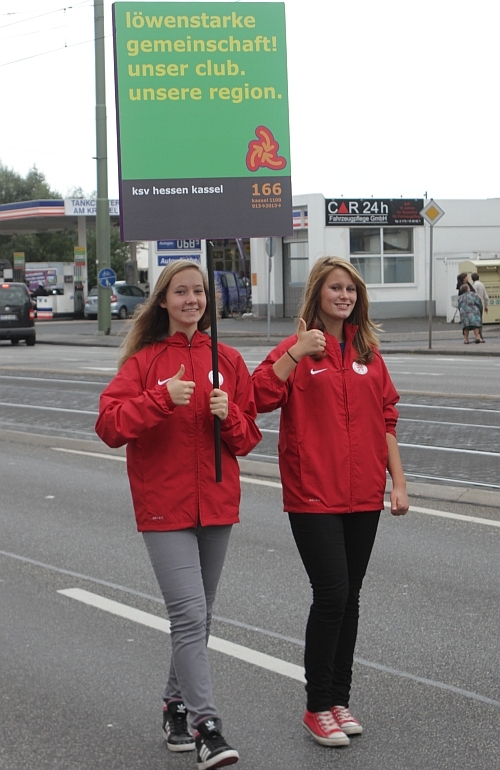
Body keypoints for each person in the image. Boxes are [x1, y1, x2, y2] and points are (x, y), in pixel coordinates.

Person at [95, 260, 261, 770]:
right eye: (181, 292)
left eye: (199, 292)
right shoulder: (145, 363)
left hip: (216, 505)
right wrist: (160, 399)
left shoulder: (228, 359)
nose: (192, 300)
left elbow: (249, 438)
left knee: (198, 618)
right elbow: (109, 425)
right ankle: (207, 726)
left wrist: (227, 412)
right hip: (164, 507)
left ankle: (174, 704)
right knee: (190, 616)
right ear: (163, 301)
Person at [252, 257, 409, 748]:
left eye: (350, 289)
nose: (344, 296)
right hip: (313, 493)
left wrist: (397, 483)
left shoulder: (368, 352)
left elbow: (386, 420)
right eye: (335, 288)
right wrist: (295, 353)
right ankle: (317, 705)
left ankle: (339, 699)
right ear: (317, 294)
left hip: (363, 494)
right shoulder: (299, 348)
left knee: (351, 598)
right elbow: (257, 397)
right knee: (332, 595)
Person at [471, 272, 488, 340]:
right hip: (481, 303)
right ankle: (480, 334)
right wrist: (486, 306)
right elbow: (486, 296)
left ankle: (478, 335)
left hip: (475, 304)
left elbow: (474, 294)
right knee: (480, 319)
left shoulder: (474, 285)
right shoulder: (482, 284)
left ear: (472, 279)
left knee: (475, 320)